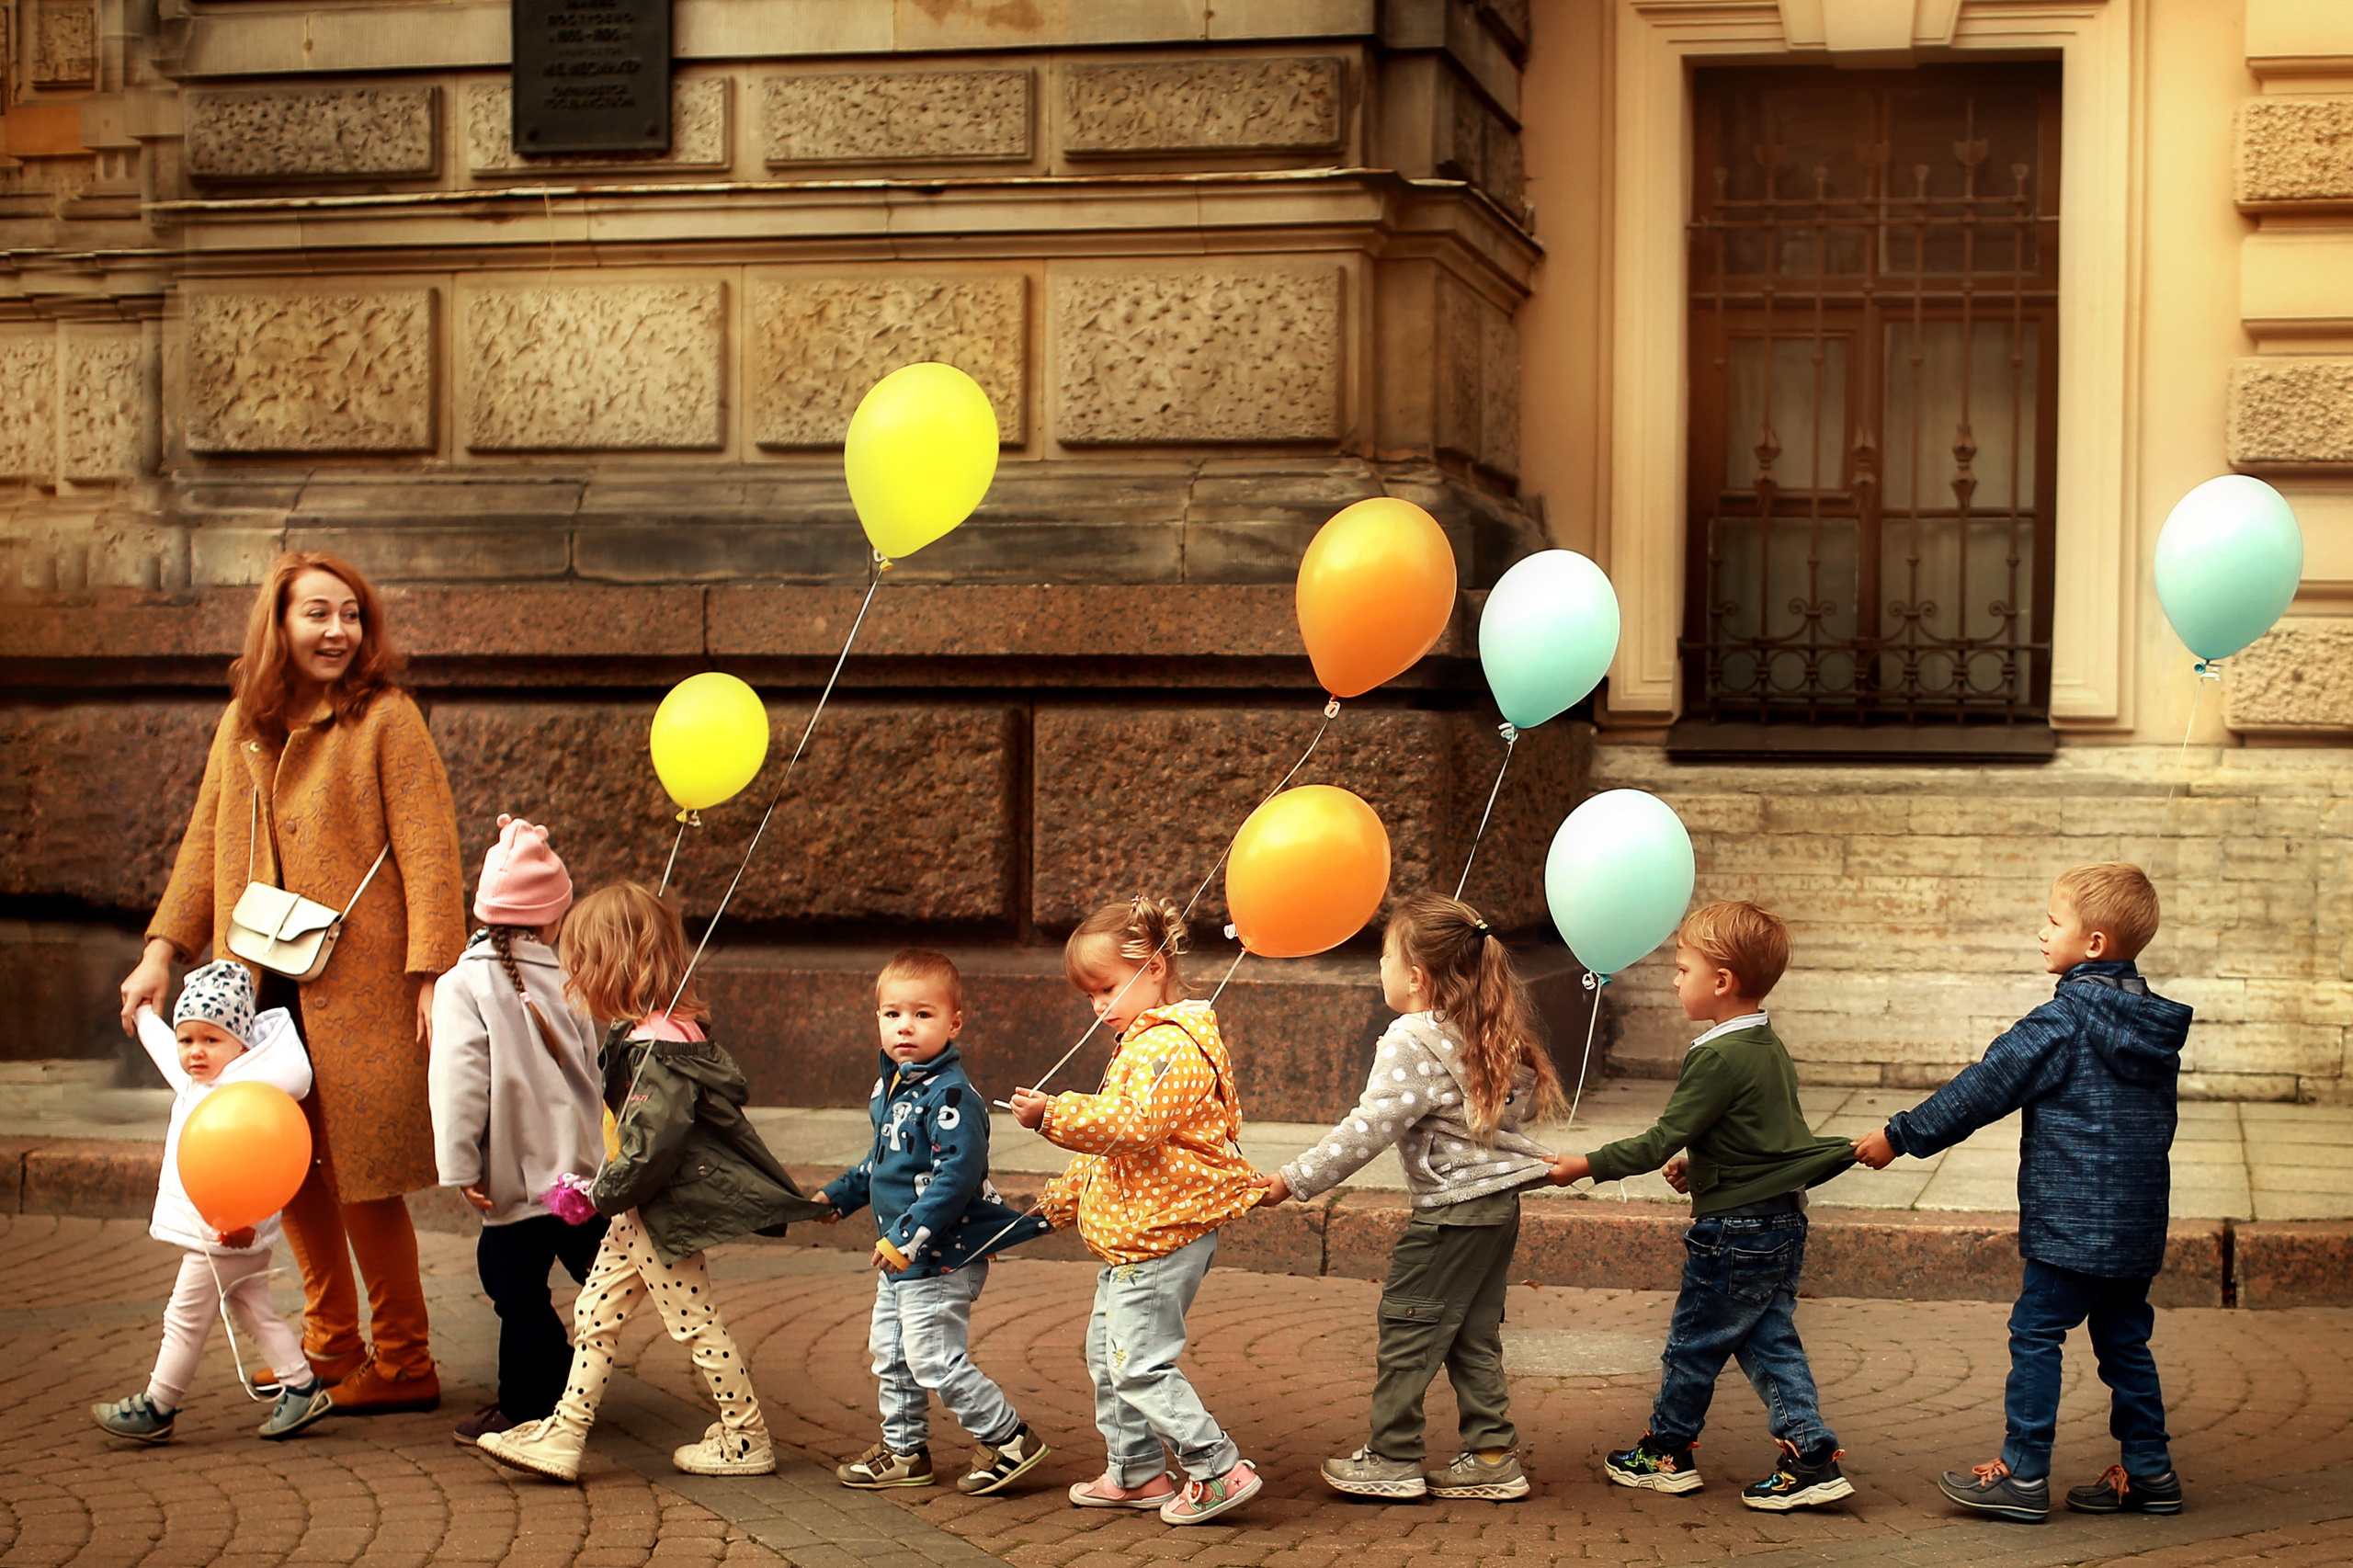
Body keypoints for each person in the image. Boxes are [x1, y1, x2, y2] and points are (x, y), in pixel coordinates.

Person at [119, 551, 466, 1415]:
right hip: (257, 990)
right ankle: (331, 1346)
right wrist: (161, 949)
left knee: (364, 1175)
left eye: (350, 614)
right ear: (279, 624)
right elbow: (203, 846)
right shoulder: (245, 723)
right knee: (289, 1167)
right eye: (317, 613)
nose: (337, 630)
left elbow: (430, 849)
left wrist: (433, 974)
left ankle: (405, 1360)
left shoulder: (387, 718)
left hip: (364, 986)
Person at [1855, 863, 2191, 1524]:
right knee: (2124, 1339)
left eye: (2054, 921)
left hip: (2072, 1224)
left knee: (2036, 1331)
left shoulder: (2063, 1022)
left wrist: (1901, 1136)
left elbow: (1983, 1087)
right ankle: (2151, 1472)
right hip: (2136, 1222)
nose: (2042, 933)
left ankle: (2024, 1470)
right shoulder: (2153, 1030)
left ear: (2093, 944)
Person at [475, 881, 826, 1484]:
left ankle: (745, 1437)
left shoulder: (659, 1050)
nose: (573, 979)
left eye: (581, 965)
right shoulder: (655, 1037)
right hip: (644, 1212)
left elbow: (646, 1150)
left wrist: (597, 1197)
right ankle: (566, 1431)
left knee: (692, 1322)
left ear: (615, 966)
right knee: (597, 1314)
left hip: (657, 1213)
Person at [1546, 901, 1858, 1511]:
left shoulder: (1714, 1055)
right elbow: (1765, 1132)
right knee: (1769, 1342)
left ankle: (1668, 1452)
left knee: (1692, 1343)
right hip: (1781, 1218)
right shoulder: (1765, 1043)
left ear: (1721, 982)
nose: (1673, 980)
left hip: (1734, 1230)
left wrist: (1584, 1166)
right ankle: (1813, 1456)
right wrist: (1703, 1161)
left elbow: (1658, 1139)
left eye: (1682, 969)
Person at [1256, 893, 1563, 1503]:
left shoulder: (1411, 1037)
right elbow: (1518, 1105)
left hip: (1451, 1213)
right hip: (1497, 1207)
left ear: (1417, 977)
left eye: (1384, 957)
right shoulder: (1486, 1025)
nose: (1380, 970)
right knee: (1472, 1335)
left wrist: (1293, 1179)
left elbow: (1369, 1127)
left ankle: (1393, 1455)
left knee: (1408, 1326)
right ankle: (1492, 1454)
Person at [1008, 896, 1265, 1526]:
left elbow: (1134, 1127)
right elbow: (1113, 1160)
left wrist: (1054, 1114)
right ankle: (1136, 1473)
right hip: (1137, 1235)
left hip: (1161, 1237)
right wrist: (1056, 1205)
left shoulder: (1166, 1047)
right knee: (1108, 1356)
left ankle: (1217, 1467)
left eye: (1107, 989)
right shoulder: (1141, 1043)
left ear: (1153, 968)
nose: (1098, 1007)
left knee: (1139, 1365)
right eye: (1090, 996)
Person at [816, 949, 1052, 1495]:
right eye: (892, 1014)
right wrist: (840, 1195)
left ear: (953, 1022)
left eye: (923, 1014)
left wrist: (905, 1237)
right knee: (892, 1354)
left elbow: (957, 1175)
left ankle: (1008, 1438)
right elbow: (883, 1162)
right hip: (900, 1255)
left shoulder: (950, 1095)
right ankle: (904, 1451)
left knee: (934, 1358)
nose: (905, 1026)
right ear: (876, 1018)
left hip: (941, 1254)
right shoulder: (893, 1088)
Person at [94, 960, 333, 1444]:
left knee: (183, 1316)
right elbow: (164, 1048)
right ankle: (303, 1386)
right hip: (220, 1229)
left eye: (211, 1040)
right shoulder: (198, 1079)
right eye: (188, 1040)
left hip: (227, 1230)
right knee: (250, 1307)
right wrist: (141, 1012)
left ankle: (158, 1405)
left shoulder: (252, 1093)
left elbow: (262, 1167)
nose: (195, 1052)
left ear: (240, 1042)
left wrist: (243, 1221)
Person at [428, 814, 609, 1447]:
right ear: (552, 917)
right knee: (604, 1276)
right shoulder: (569, 979)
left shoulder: (462, 984)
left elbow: (459, 1082)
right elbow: (592, 1072)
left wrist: (460, 1165)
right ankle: (573, 1375)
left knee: (512, 1286)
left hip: (513, 1176)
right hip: (577, 1176)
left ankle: (529, 1398)